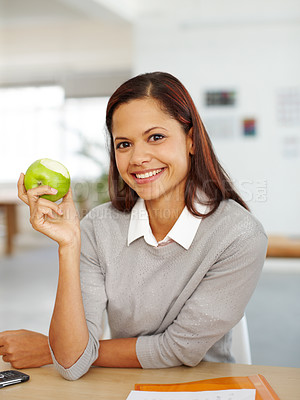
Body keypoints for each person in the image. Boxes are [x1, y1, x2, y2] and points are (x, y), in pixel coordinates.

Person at [0, 72, 268, 380]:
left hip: (207, 387)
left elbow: (178, 349)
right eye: (124, 144)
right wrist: (69, 245)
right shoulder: (98, 228)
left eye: (155, 137)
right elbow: (72, 364)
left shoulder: (238, 235)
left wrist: (55, 350)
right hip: (121, 386)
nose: (138, 158)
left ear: (191, 140)